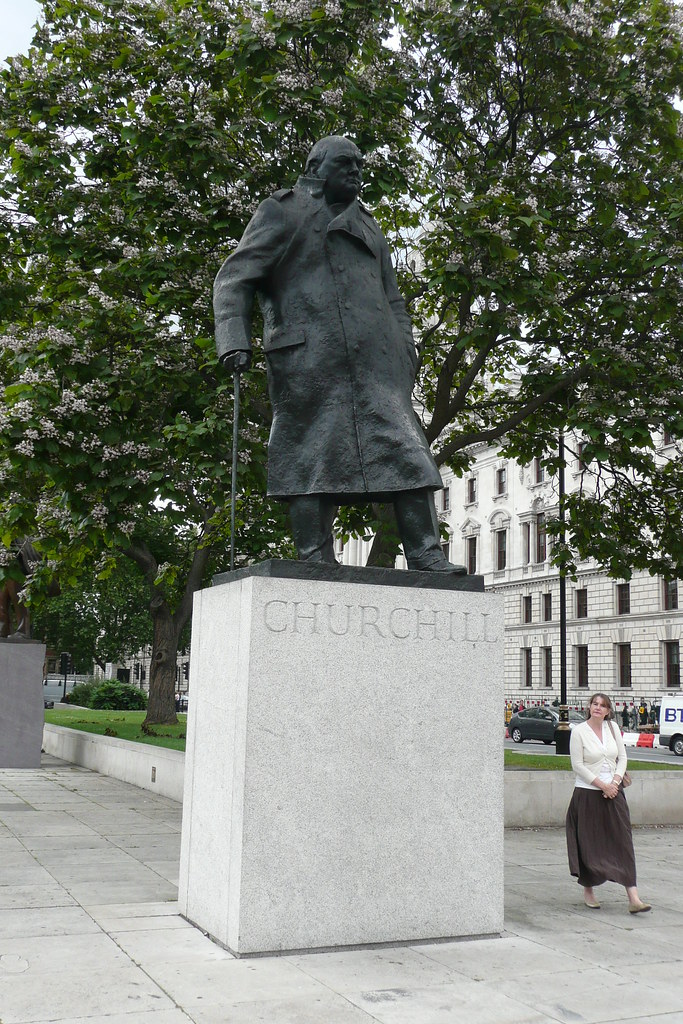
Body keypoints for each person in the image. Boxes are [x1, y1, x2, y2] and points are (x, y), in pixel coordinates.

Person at [214, 135, 465, 572]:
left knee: (409, 454)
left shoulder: (369, 225)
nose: (356, 172)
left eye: (360, 166)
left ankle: (425, 553)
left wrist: (407, 352)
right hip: (308, 361)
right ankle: (315, 556)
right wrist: (234, 338)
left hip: (378, 367)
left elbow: (394, 299)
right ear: (317, 166)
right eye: (346, 163)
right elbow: (234, 279)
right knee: (309, 456)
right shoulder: (282, 210)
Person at [565, 692, 650, 914]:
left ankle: (633, 897)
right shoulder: (579, 732)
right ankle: (589, 890)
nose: (598, 708)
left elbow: (622, 757)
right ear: (589, 707)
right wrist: (603, 786)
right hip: (588, 793)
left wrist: (615, 782)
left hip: (614, 791)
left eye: (603, 705)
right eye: (595, 704)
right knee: (589, 843)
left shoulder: (612, 729)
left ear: (608, 710)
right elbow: (577, 765)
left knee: (623, 841)